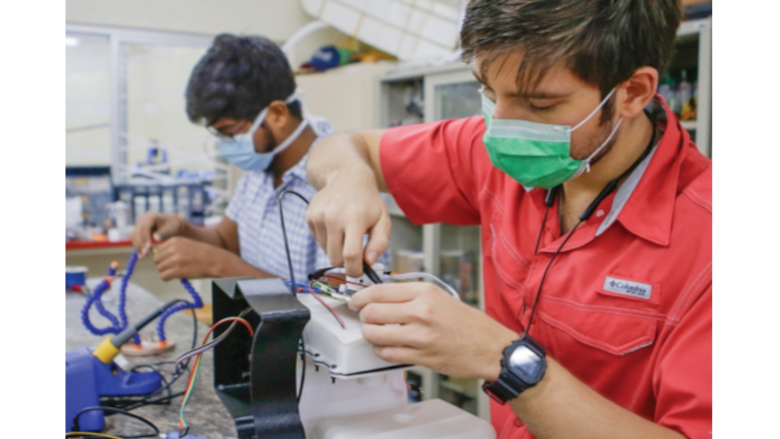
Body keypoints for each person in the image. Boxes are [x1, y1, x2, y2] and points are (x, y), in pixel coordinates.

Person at [305, 1, 714, 438]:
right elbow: (341, 146)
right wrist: (349, 177)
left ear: (633, 92)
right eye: (490, 92)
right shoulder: (495, 155)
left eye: (539, 104)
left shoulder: (701, 240)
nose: (500, 126)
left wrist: (505, 360)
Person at [132, 35, 334, 283]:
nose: (226, 144)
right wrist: (179, 227)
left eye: (231, 132)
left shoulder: (337, 180)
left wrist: (219, 265)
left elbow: (335, 304)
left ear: (277, 114)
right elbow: (225, 240)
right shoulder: (261, 165)